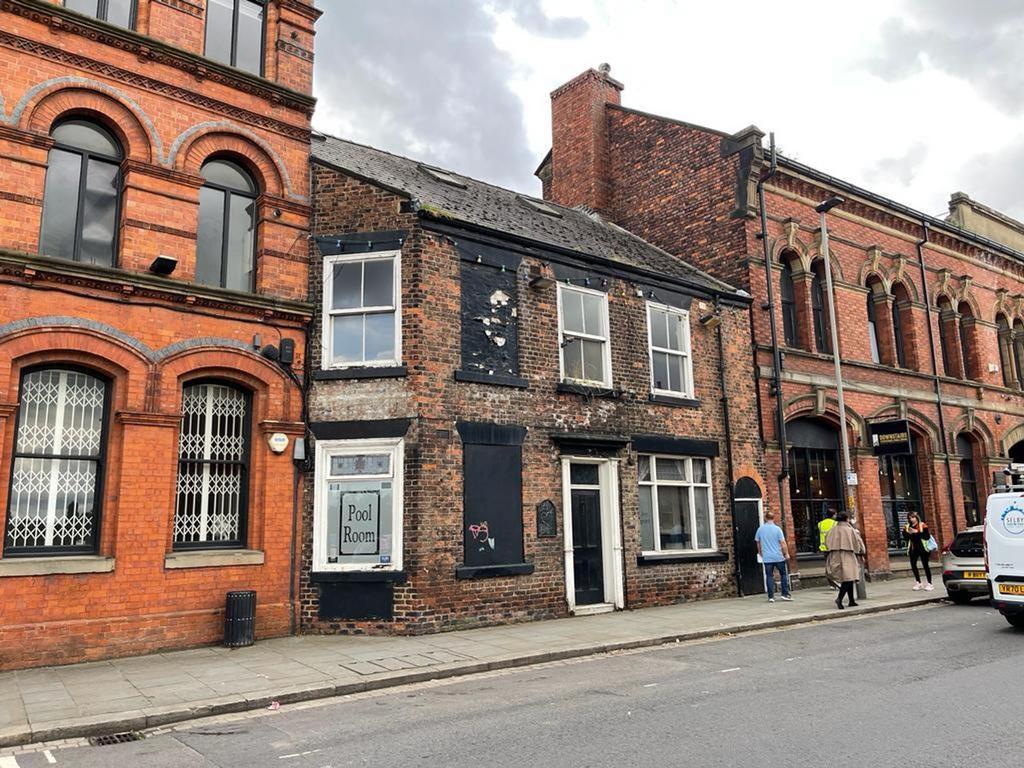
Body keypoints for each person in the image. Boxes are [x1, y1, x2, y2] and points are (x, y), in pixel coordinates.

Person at [825, 511, 865, 609]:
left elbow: (826, 542)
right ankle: (839, 598)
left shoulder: (832, 530)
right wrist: (861, 552)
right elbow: (858, 542)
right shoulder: (850, 530)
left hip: (834, 555)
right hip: (847, 555)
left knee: (847, 578)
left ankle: (851, 600)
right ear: (846, 519)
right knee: (849, 578)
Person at [755, 511, 792, 603]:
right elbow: (783, 543)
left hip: (767, 557)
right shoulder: (777, 529)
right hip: (778, 556)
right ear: (773, 518)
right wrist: (786, 553)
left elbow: (758, 543)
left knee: (769, 576)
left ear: (765, 518)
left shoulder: (760, 529)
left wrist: (760, 553)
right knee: (783, 575)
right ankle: (785, 594)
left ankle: (771, 597)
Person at [903, 512, 934, 591]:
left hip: (923, 548)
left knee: (925, 565)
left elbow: (926, 536)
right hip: (913, 548)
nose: (911, 519)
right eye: (910, 518)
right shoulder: (907, 526)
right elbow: (906, 538)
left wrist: (917, 532)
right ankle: (918, 582)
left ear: (917, 517)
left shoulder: (922, 525)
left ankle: (930, 583)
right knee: (913, 565)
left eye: (913, 517)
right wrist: (909, 533)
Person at [818, 508, 839, 589]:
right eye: (835, 514)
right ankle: (835, 582)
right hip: (833, 547)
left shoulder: (820, 524)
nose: (836, 516)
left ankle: (831, 584)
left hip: (824, 548)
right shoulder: (835, 524)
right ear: (833, 515)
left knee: (828, 566)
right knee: (834, 566)